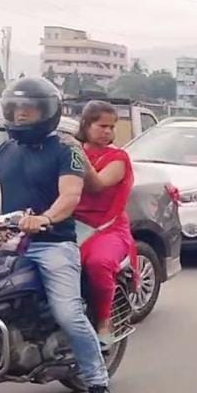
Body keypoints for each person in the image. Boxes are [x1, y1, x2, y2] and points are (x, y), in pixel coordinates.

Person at [0, 77, 112, 393]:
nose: (20, 116)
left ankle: (97, 383)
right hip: (9, 240)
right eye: (16, 109)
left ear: (46, 112)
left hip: (52, 242)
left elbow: (70, 195)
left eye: (29, 110)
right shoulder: (5, 149)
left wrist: (45, 218)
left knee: (68, 312)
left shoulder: (66, 149)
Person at [74, 101, 136, 345]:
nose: (108, 132)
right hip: (69, 223)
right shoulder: (71, 151)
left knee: (98, 264)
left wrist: (77, 155)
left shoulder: (118, 158)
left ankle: (103, 321)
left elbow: (97, 184)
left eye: (111, 127)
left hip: (107, 228)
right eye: (102, 126)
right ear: (86, 125)